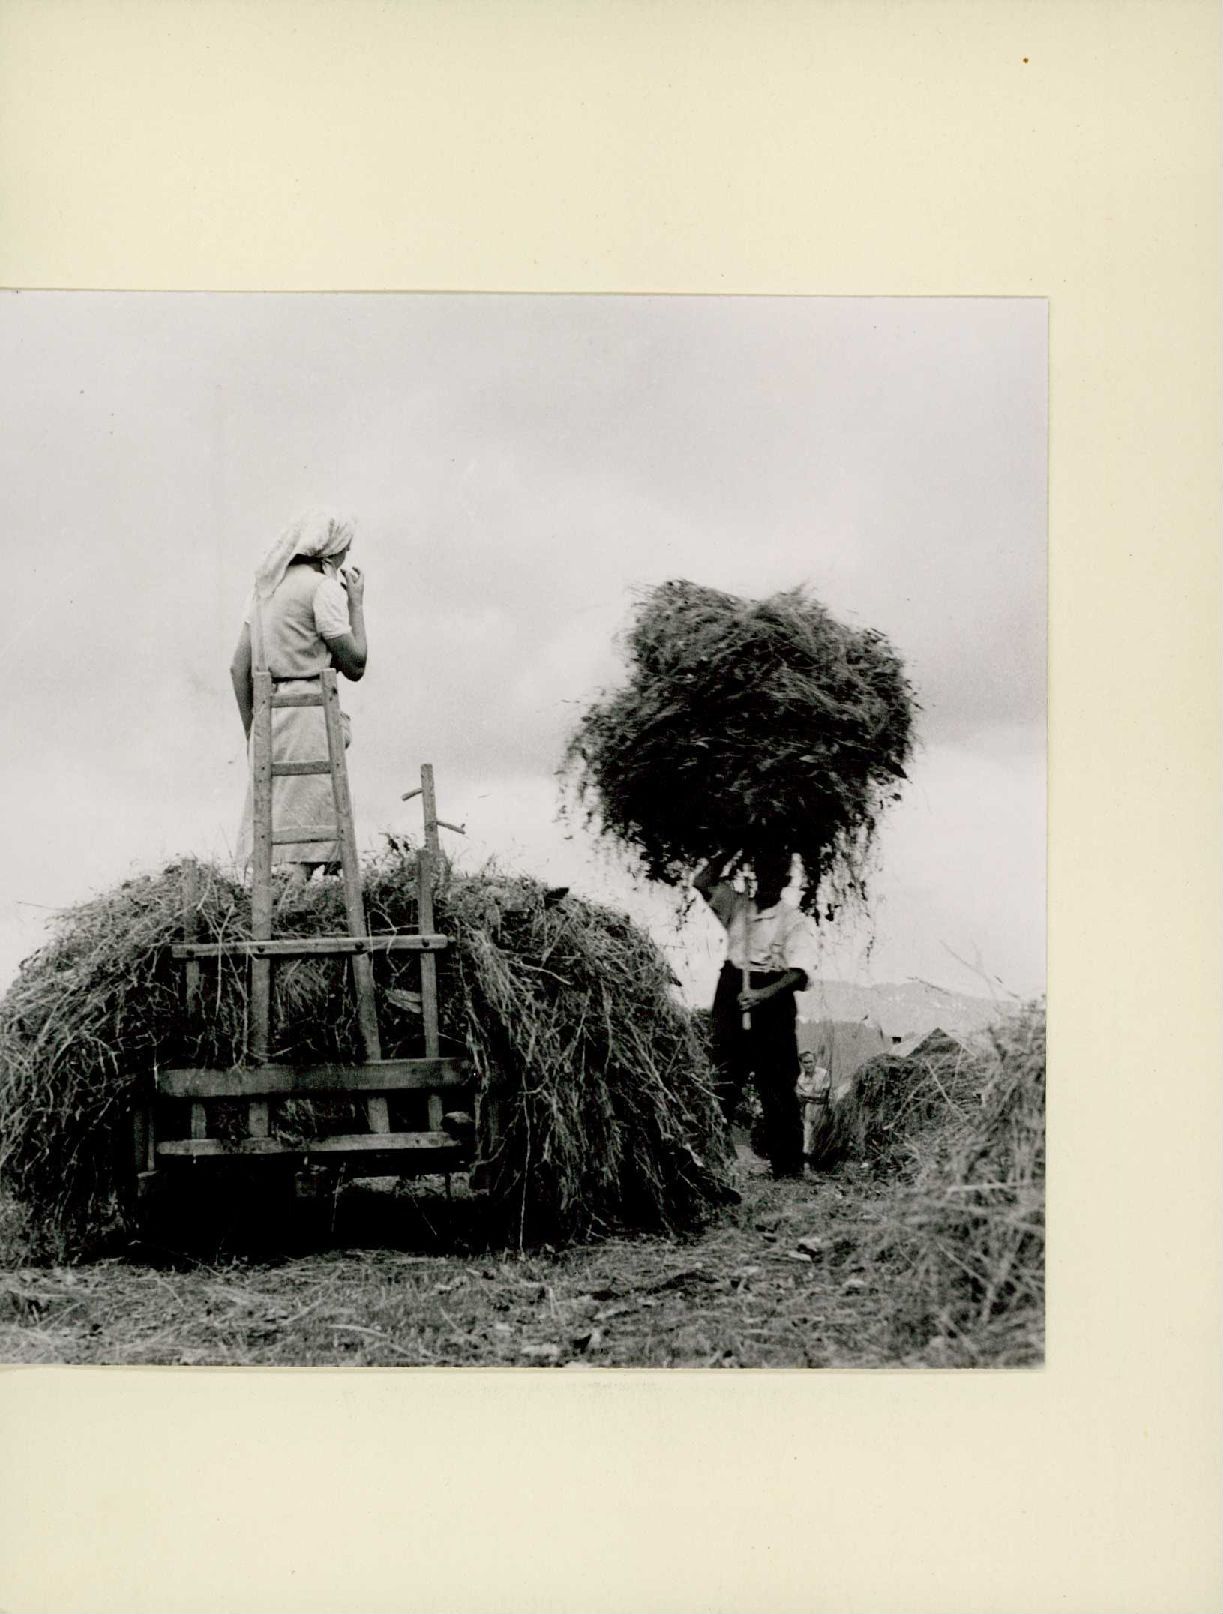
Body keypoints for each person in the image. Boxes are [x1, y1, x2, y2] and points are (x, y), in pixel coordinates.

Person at [231, 511, 368, 882]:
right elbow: (355, 664)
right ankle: (293, 905)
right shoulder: (321, 589)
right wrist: (355, 604)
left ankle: (273, 907)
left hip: (270, 718)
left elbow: (237, 668)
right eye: (345, 550)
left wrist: (252, 732)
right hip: (309, 718)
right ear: (331, 552)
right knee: (304, 840)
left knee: (274, 836)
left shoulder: (264, 590)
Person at [693, 848, 820, 1179]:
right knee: (720, 1078)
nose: (767, 883)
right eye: (763, 874)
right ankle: (703, 1160)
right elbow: (702, 881)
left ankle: (788, 1167)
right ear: (755, 875)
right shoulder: (737, 907)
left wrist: (762, 995)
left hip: (773, 1001)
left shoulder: (795, 921)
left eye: (775, 877)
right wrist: (734, 845)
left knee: (777, 1086)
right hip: (732, 994)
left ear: (785, 882)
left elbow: (799, 974)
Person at [795, 1048, 832, 1171]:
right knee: (808, 1135)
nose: (809, 1065)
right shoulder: (801, 1079)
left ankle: (823, 1165)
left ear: (815, 1061)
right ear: (802, 1064)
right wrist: (811, 1097)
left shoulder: (823, 1074)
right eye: (805, 1062)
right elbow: (800, 1097)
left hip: (822, 1108)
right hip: (809, 1109)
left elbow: (824, 1095)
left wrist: (809, 1096)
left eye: (811, 1062)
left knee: (822, 1134)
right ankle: (808, 1165)